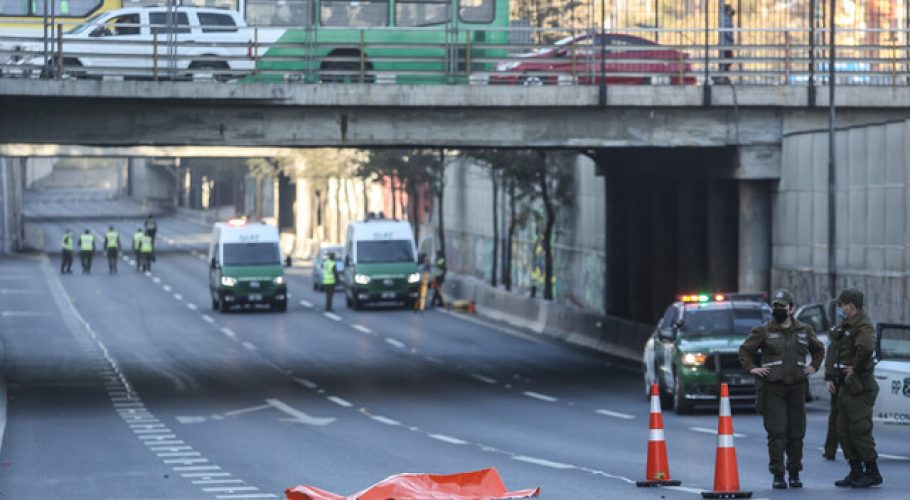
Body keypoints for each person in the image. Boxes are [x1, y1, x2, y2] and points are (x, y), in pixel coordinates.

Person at [738, 289, 824, 489]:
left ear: (791, 309)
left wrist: (813, 367)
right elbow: (744, 351)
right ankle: (778, 474)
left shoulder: (804, 330)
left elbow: (818, 349)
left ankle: (794, 472)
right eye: (775, 307)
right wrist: (753, 368)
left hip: (797, 388)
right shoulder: (764, 331)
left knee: (796, 433)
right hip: (773, 389)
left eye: (782, 307)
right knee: (777, 433)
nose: (778, 310)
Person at [830, 288, 882, 488]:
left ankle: (872, 471)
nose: (840, 309)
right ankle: (855, 470)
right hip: (846, 385)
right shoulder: (847, 325)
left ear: (850, 306)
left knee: (859, 430)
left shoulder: (863, 325)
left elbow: (866, 348)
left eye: (841, 305)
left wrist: (856, 368)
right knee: (843, 429)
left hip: (859, 385)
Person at [823, 319, 842, 460]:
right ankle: (830, 450)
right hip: (837, 378)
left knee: (852, 419)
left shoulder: (861, 329)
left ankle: (857, 454)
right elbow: (830, 355)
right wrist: (828, 377)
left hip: (851, 379)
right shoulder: (836, 331)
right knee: (835, 416)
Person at [719, 4, 736, 78]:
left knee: (727, 58)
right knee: (729, 58)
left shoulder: (727, 18)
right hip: (726, 43)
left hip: (726, 42)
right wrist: (730, 39)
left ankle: (724, 74)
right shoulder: (726, 19)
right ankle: (724, 74)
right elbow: (726, 31)